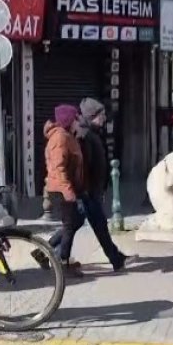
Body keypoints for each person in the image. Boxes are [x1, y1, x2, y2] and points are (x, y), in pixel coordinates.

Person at [73, 98, 128, 271]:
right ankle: (115, 258)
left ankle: (116, 257)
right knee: (96, 225)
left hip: (93, 189)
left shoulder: (92, 132)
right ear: (91, 116)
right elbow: (85, 166)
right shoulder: (85, 135)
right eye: (101, 115)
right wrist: (88, 190)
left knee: (79, 224)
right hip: (88, 191)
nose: (104, 118)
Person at [42, 104, 87, 278]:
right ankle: (63, 263)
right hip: (61, 190)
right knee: (70, 226)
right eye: (76, 118)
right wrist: (69, 193)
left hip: (65, 188)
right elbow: (59, 169)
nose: (78, 121)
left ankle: (44, 251)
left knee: (74, 223)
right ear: (69, 120)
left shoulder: (66, 136)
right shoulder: (60, 138)